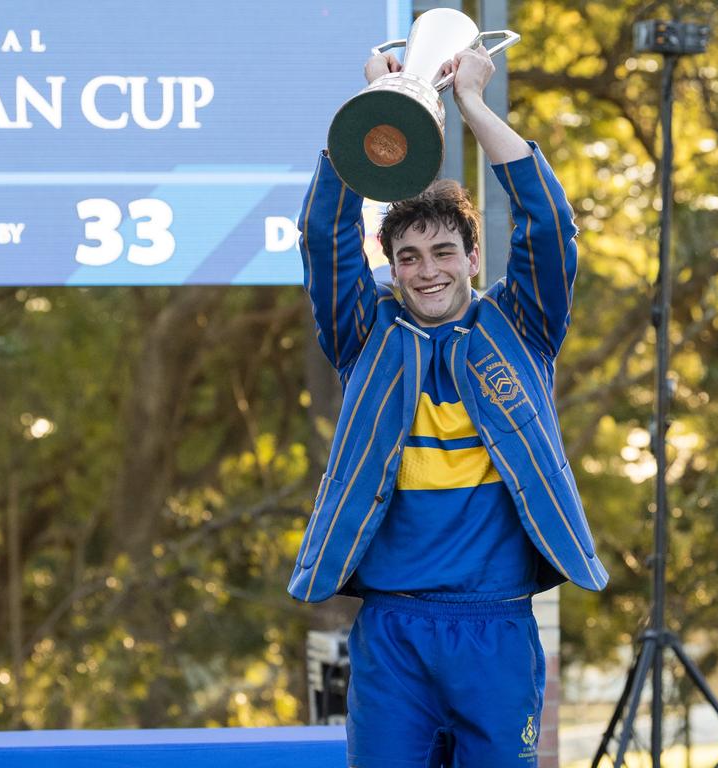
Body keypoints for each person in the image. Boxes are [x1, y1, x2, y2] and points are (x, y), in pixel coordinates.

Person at [289, 44, 608, 768]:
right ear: (391, 266)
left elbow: (550, 224)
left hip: (493, 625)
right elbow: (322, 236)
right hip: (393, 630)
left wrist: (471, 104)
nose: (426, 271)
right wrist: (386, 106)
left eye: (442, 252)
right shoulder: (367, 332)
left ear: (471, 257)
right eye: (408, 257)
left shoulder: (520, 326)